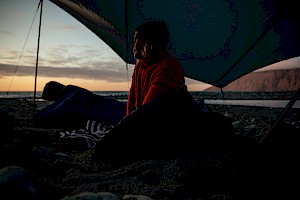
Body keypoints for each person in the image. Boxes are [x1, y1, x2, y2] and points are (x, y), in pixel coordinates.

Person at [126, 20, 186, 116]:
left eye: (136, 39)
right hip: (142, 119)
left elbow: (149, 107)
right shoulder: (140, 65)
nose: (132, 45)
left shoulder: (168, 66)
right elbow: (132, 100)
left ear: (148, 42)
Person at [35, 81, 126, 128]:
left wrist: (37, 114)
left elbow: (57, 108)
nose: (55, 101)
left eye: (53, 99)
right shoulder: (72, 93)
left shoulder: (72, 95)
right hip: (114, 110)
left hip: (117, 112)